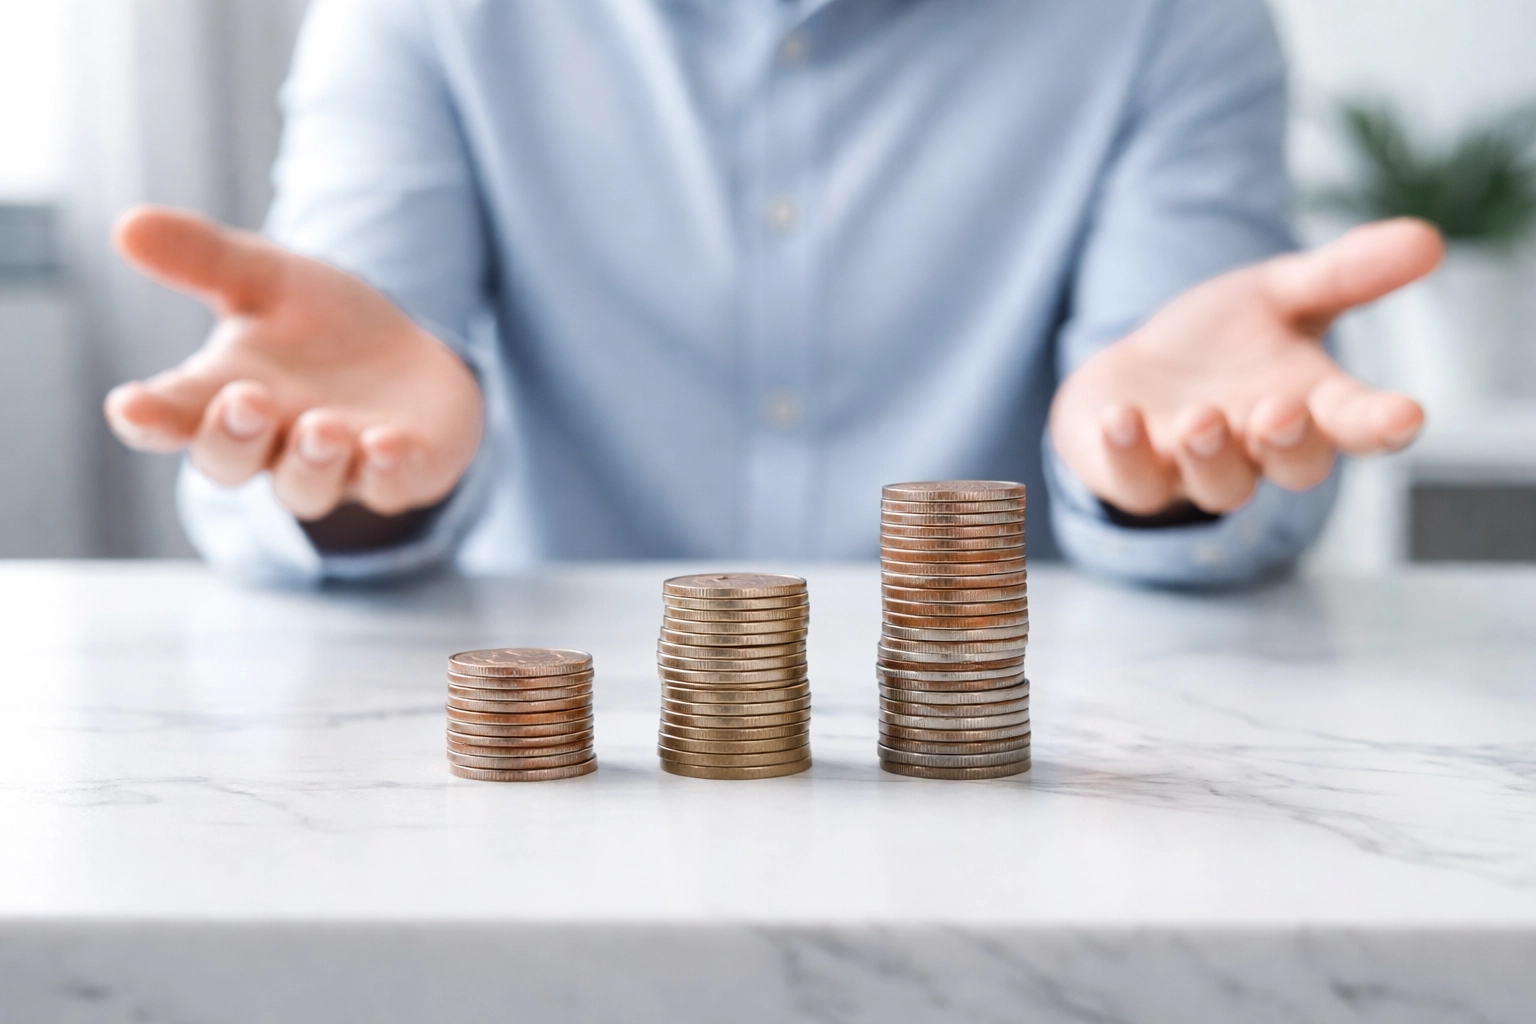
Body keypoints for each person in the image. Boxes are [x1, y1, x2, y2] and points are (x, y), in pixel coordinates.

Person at [102, 0, 1440, 586]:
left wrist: (1166, 485)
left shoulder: (1168, 16)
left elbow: (1190, 427)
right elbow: (331, 391)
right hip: (546, 812)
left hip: (1023, 802)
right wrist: (341, 487)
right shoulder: (422, 12)